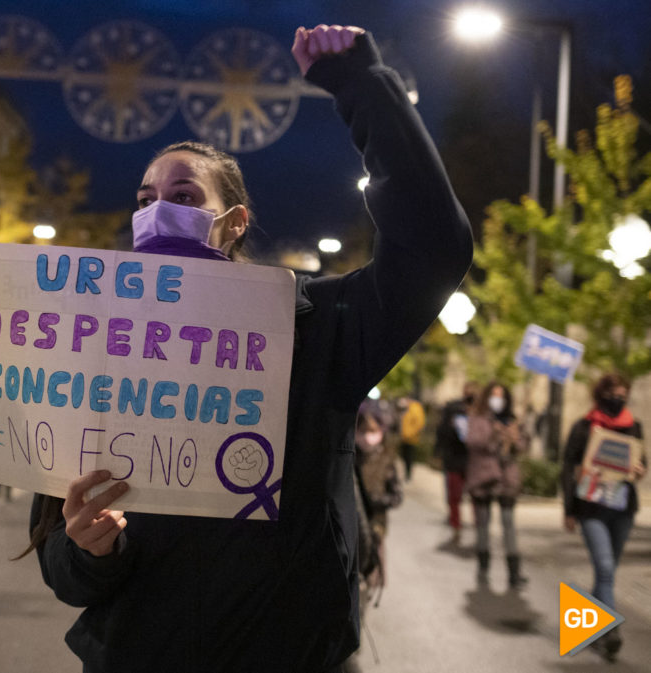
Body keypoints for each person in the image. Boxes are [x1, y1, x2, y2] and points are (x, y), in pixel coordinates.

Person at [23, 25, 473, 672]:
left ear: (232, 223)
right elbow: (65, 573)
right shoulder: (90, 350)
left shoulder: (317, 329)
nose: (157, 211)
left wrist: (363, 86)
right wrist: (92, 550)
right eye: (145, 199)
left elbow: (433, 247)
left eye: (183, 197)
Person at [561, 373, 646, 662]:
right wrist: (569, 510)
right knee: (606, 568)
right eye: (613, 391)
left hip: (623, 509)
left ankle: (592, 630)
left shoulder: (634, 427)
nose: (618, 397)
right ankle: (611, 633)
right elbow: (567, 467)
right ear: (601, 394)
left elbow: (642, 463)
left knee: (604, 574)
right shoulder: (583, 427)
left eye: (623, 392)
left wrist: (638, 470)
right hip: (591, 509)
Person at [465, 381, 528, 589]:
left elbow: (522, 446)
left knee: (508, 522)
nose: (498, 399)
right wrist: (494, 434)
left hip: (506, 478)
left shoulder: (512, 419)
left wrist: (514, 437)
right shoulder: (478, 418)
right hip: (483, 477)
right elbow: (473, 441)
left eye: (502, 395)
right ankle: (483, 566)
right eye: (494, 394)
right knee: (483, 523)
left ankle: (514, 572)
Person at [354, 411, 403, 601]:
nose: (367, 436)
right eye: (363, 431)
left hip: (376, 523)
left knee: (372, 561)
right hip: (354, 520)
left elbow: (397, 496)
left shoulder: (386, 460)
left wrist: (379, 501)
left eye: (372, 431)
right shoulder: (350, 458)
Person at [435, 382, 477, 545]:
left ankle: (478, 528)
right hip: (454, 459)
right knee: (454, 497)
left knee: (475, 497)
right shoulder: (453, 409)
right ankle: (456, 527)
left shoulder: (480, 412)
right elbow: (442, 432)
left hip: (472, 462)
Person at [397, 395, 425, 481]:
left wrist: (409, 434)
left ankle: (408, 474)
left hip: (411, 438)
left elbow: (419, 424)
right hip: (405, 437)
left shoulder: (416, 408)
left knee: (408, 457)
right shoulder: (409, 408)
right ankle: (406, 473)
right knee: (405, 456)